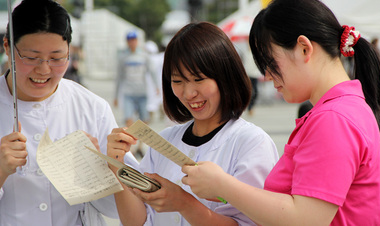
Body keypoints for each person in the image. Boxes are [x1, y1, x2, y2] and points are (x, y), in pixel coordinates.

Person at [182, 0, 380, 225]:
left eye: (270, 63)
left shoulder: (334, 118)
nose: (267, 75)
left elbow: (304, 219)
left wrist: (224, 185)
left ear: (304, 48)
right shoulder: (342, 110)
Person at [107, 22, 279, 225]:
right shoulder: (163, 142)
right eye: (178, 81)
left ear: (225, 76)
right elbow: (138, 221)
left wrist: (184, 203)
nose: (189, 93)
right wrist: (116, 164)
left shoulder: (251, 143)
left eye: (198, 79)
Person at [0, 0, 133, 225]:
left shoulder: (91, 108)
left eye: (57, 58)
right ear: (7, 48)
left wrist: (103, 167)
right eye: (31, 58)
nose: (43, 69)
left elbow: (118, 210)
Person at [114, 31, 158, 127]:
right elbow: (119, 77)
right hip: (128, 93)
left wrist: (157, 86)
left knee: (144, 120)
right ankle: (130, 141)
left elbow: (152, 72)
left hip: (141, 92)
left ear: (137, 41)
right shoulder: (123, 57)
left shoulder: (144, 55)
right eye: (130, 41)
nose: (132, 43)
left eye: (134, 40)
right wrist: (116, 96)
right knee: (128, 119)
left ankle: (141, 142)